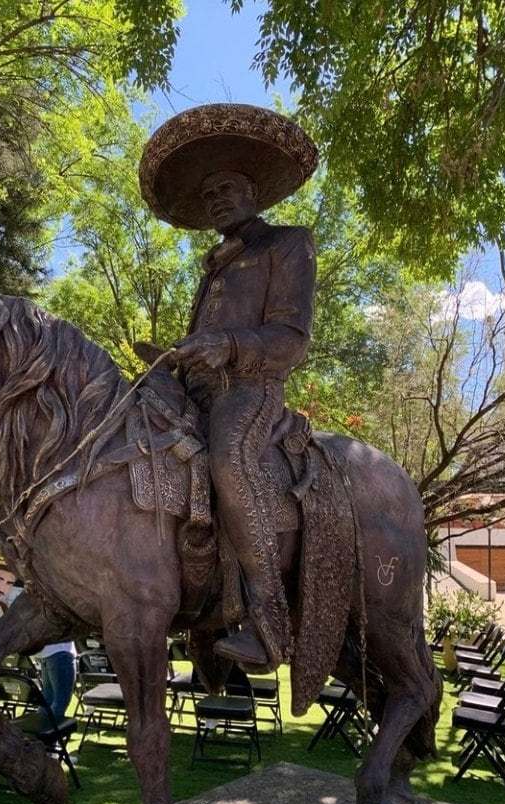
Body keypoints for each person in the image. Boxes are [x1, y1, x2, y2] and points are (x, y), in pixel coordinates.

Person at [139, 103, 318, 671]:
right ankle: (199, 608)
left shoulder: (287, 244)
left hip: (248, 389)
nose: (216, 199)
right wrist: (171, 358)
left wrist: (231, 346)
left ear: (254, 193)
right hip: (192, 389)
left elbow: (292, 337)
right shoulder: (213, 266)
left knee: (228, 463)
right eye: (208, 193)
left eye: (227, 188)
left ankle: (267, 623)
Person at [38, 640, 77, 720]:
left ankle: (41, 727)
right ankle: (52, 729)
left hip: (46, 653)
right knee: (61, 700)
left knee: (48, 697)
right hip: (61, 652)